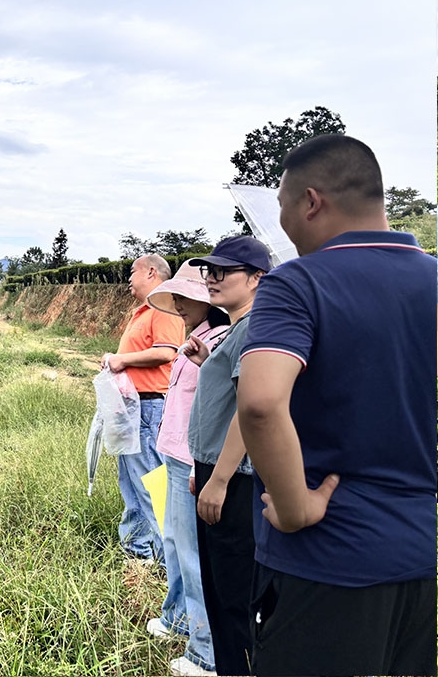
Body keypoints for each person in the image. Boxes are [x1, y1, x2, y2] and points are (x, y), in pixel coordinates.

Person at [237, 134, 437, 677]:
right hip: (419, 560)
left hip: (324, 563)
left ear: (310, 200)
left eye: (280, 205)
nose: (281, 219)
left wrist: (294, 504)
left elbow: (258, 403)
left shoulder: (298, 283)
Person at [185, 235, 272, 676]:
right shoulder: (239, 327)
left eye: (223, 271)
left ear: (257, 278)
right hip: (219, 469)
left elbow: (248, 410)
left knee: (231, 597)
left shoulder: (255, 325)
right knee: (222, 589)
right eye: (209, 271)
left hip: (234, 479)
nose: (212, 279)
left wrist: (217, 478)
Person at [144, 261, 230, 677]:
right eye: (175, 295)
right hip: (173, 453)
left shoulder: (222, 339)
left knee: (194, 554)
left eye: (185, 296)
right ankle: (177, 615)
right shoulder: (196, 338)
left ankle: (206, 652)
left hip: (191, 459)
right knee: (175, 542)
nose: (178, 303)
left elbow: (221, 406)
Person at [101, 254, 185, 564]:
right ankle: (139, 550)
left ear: (151, 272)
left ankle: (167, 559)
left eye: (132, 272)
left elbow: (166, 352)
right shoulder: (143, 311)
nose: (128, 279)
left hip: (148, 408)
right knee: (131, 481)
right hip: (132, 408)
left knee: (152, 481)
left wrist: (122, 361)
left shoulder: (163, 306)